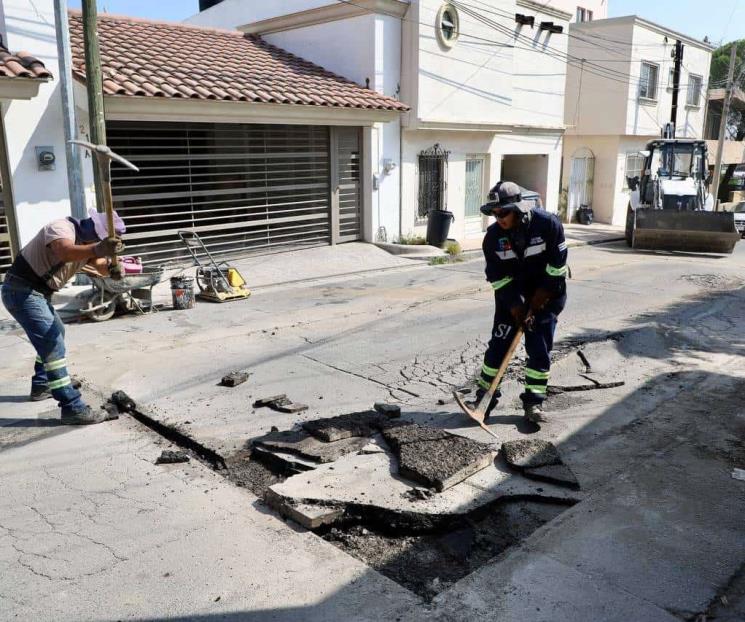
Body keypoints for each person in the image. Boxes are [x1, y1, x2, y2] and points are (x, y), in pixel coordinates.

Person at [1, 209, 125, 424]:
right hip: (21, 290)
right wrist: (98, 248)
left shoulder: (87, 246)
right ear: (95, 233)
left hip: (36, 292)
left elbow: (98, 266)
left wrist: (114, 267)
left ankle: (42, 384)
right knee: (52, 344)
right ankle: (72, 407)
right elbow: (65, 252)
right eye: (100, 242)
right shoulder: (60, 228)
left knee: (56, 332)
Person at [468, 181, 568, 423]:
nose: (498, 218)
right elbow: (497, 277)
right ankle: (484, 400)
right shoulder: (493, 239)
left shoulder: (548, 225)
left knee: (538, 349)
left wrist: (538, 300)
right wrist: (515, 306)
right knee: (498, 348)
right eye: (494, 213)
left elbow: (557, 267)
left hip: (547, 296)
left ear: (519, 209)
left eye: (503, 212)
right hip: (511, 298)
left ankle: (533, 403)